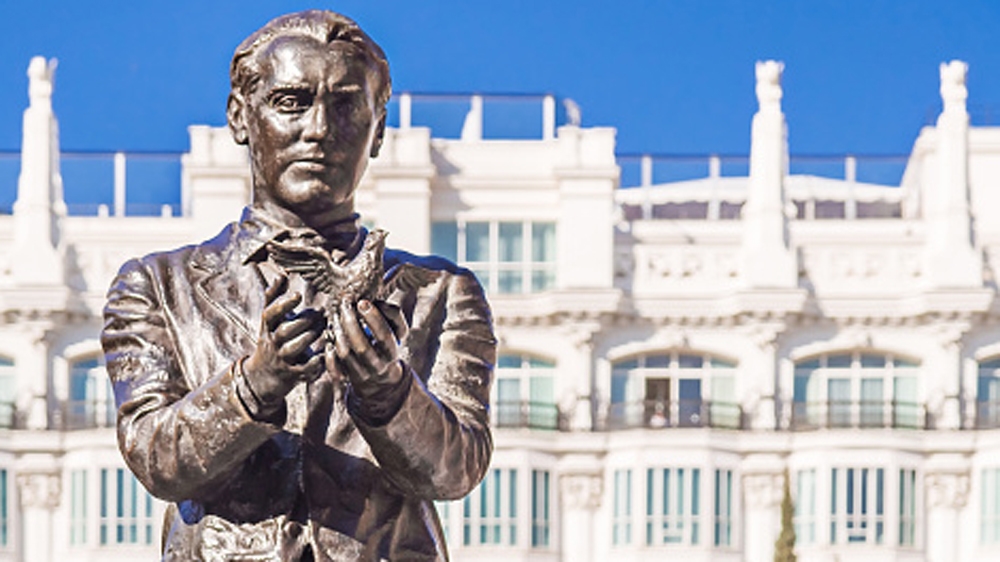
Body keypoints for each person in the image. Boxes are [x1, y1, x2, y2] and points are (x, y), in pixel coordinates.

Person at [101, 10, 495, 561]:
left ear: (378, 128)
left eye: (344, 105)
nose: (319, 130)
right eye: (291, 102)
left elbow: (458, 470)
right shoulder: (158, 288)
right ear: (241, 117)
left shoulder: (442, 293)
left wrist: (388, 391)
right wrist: (255, 384)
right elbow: (157, 458)